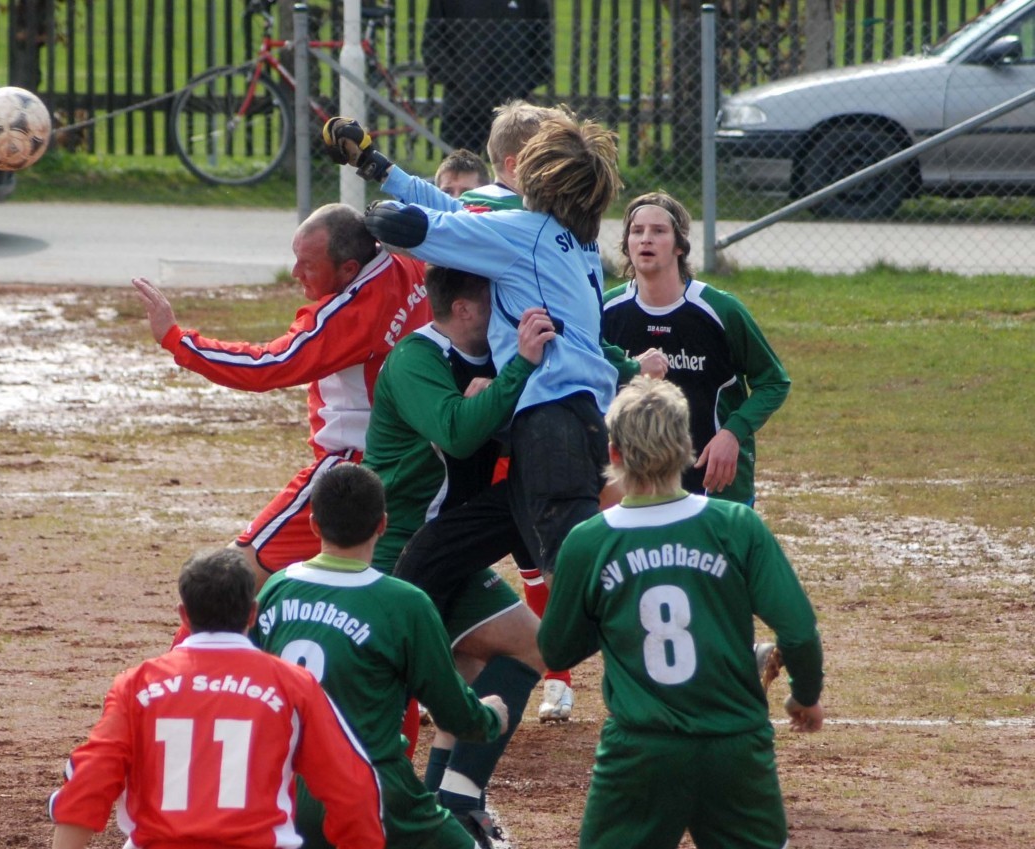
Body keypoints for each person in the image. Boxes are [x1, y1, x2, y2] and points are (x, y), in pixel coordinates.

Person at [323, 110, 666, 725]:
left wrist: (372, 208)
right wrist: (377, 166)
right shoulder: (572, 238)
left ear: (531, 176)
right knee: (427, 561)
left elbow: (413, 226)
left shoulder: (525, 233)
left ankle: (700, 654)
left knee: (580, 580)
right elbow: (467, 218)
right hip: (555, 432)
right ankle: (410, 689)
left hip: (554, 427)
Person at [538, 377, 824, 849]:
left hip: (639, 753)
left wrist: (615, 616)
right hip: (736, 746)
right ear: (688, 448)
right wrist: (806, 695)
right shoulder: (736, 525)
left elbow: (557, 647)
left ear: (612, 454)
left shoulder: (589, 541)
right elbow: (797, 628)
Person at [132, 203, 429, 590]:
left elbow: (267, 366)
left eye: (307, 264)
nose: (294, 273)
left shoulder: (352, 312)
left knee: (232, 577)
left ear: (349, 270)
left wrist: (176, 339)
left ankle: (192, 651)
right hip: (418, 462)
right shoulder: (411, 265)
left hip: (353, 465)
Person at [365, 265, 553, 842]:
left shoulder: (489, 352)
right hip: (397, 554)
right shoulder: (416, 358)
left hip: (454, 551)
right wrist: (514, 372)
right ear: (467, 309)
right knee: (381, 702)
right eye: (494, 301)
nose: (504, 312)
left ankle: (453, 801)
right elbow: (457, 432)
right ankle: (386, 810)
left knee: (519, 652)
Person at [48, 548, 386, 849]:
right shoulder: (294, 685)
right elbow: (354, 792)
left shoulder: (136, 686)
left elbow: (88, 782)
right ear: (252, 614)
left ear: (184, 615)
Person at [254, 463, 510, 849]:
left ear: (314, 526)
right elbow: (454, 712)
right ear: (383, 524)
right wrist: (491, 716)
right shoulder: (404, 603)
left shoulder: (275, 588)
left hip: (279, 790)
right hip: (370, 788)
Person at [602, 191, 791, 506]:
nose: (646, 239)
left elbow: (773, 381)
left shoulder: (721, 310)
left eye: (659, 231)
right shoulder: (606, 310)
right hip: (635, 482)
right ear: (626, 244)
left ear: (679, 245)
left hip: (713, 479)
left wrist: (732, 434)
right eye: (637, 231)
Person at [423, 0, 553, 153]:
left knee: (514, 169)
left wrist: (522, 85)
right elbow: (433, 41)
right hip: (463, 107)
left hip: (513, 109)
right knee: (461, 169)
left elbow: (542, 46)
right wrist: (457, 81)